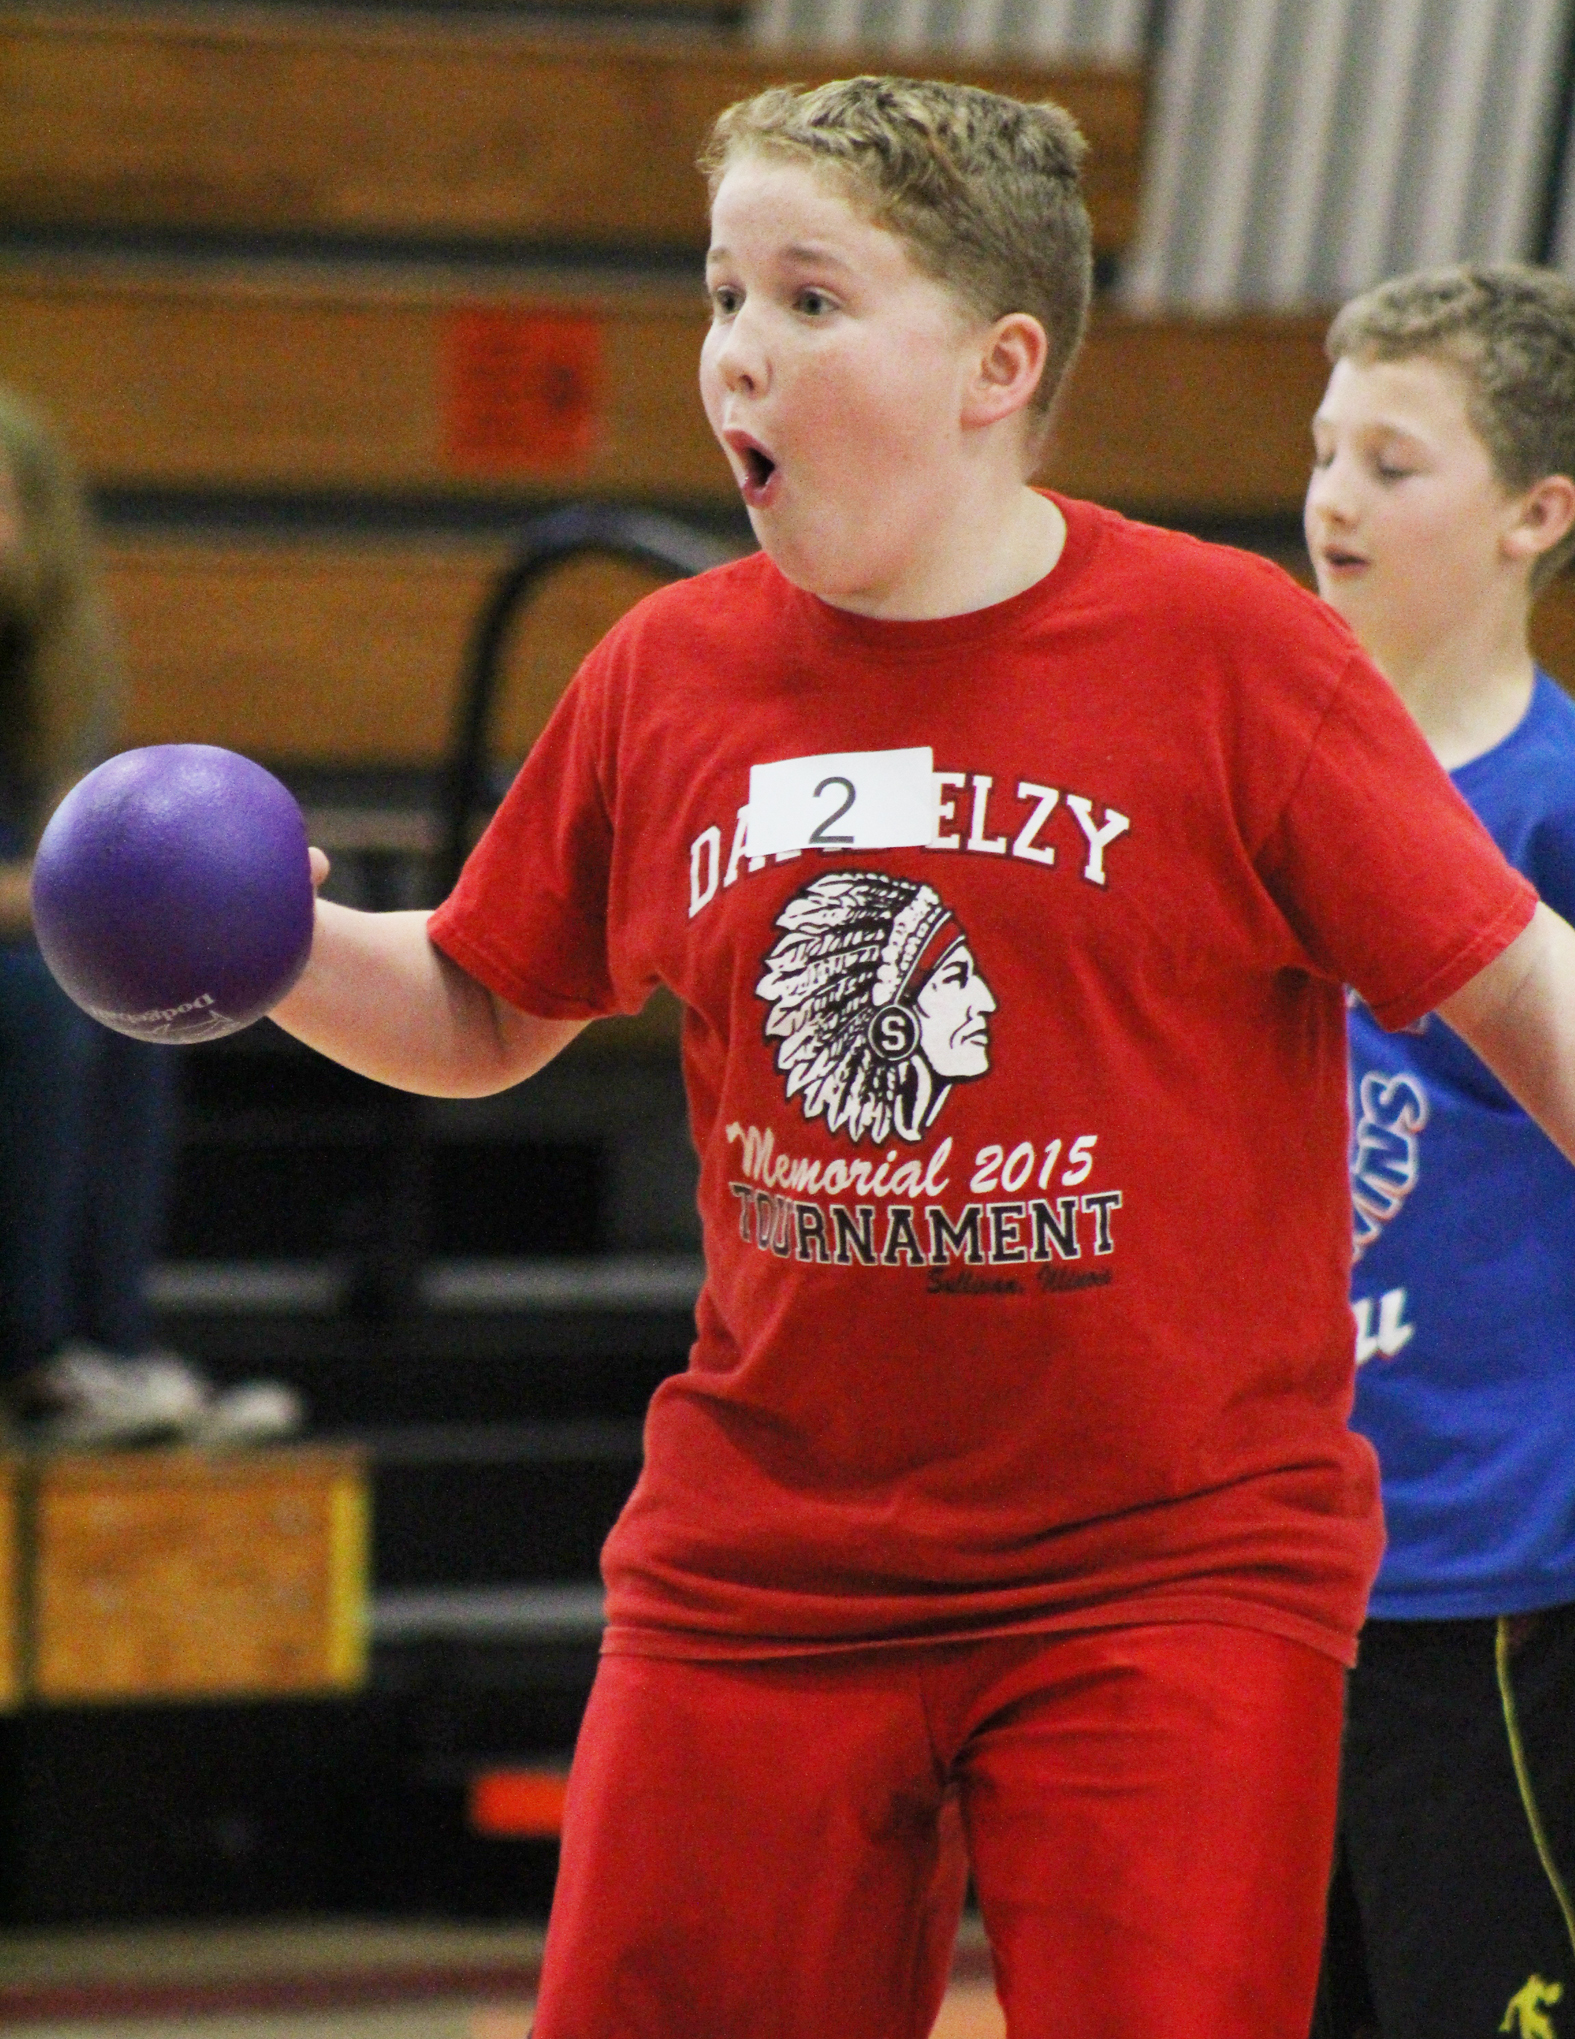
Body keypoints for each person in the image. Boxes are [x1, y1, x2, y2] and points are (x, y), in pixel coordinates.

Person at [269, 80, 1575, 2036]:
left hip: (1167, 1567)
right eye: (723, 293)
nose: (736, 349)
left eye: (808, 298)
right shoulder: (668, 671)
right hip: (767, 1560)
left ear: (997, 363)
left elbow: (1524, 996)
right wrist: (266, 946)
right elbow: (481, 1000)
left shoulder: (1232, 655)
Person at [1303, 267, 1575, 2039]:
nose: (1330, 495)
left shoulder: (1558, 804)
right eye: (1322, 447)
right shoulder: (1247, 774)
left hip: (1487, 1575)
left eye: (1392, 462)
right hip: (1253, 1560)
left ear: (1536, 516)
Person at [0, 385, 298, 1447]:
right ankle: (30, 1354)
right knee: (42, 998)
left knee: (135, 1000)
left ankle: (112, 1344)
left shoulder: (45, 664)